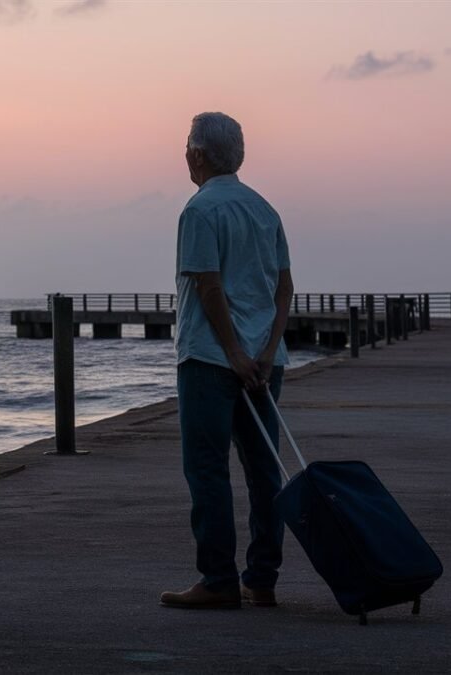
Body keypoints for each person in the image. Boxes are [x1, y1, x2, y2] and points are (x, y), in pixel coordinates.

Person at [160, 112, 294, 610]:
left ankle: (217, 580)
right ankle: (262, 579)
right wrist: (264, 352)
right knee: (264, 471)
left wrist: (234, 354)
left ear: (197, 154)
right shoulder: (264, 209)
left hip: (210, 360)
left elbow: (208, 285)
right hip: (265, 361)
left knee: (208, 468)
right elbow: (285, 288)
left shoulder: (200, 211)